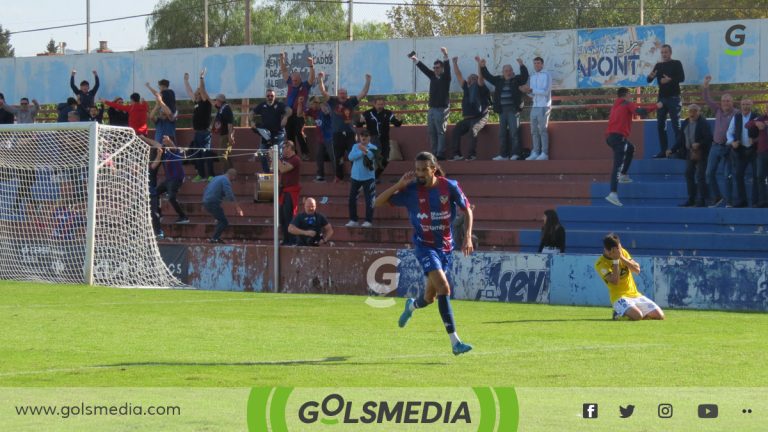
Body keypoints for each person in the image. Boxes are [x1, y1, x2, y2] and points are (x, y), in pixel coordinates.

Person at [375, 151, 474, 356]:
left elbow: (468, 210)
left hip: (446, 247)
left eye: (423, 169)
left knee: (429, 298)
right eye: (417, 169)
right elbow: (377, 202)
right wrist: (398, 186)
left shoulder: (449, 186)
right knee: (444, 288)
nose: (419, 173)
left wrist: (468, 237)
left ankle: (411, 307)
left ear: (433, 169)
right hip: (424, 246)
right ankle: (455, 342)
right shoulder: (410, 190)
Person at [604, 87, 660, 207]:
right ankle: (613, 193)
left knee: (630, 148)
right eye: (630, 95)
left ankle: (624, 175)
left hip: (610, 137)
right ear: (626, 95)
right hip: (619, 138)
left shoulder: (615, 106)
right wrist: (656, 106)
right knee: (617, 165)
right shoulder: (627, 104)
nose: (631, 97)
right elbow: (639, 112)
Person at [595, 233, 665, 321]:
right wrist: (616, 261)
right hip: (619, 297)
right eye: (616, 250)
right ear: (607, 250)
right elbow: (615, 281)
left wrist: (621, 257)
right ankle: (618, 314)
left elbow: (637, 269)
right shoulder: (600, 264)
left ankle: (629, 313)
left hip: (635, 295)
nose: (619, 250)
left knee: (660, 315)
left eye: (619, 247)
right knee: (637, 316)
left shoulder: (622, 252)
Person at [318, 71, 371, 181]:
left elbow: (364, 92)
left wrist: (368, 81)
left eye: (344, 93)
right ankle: (338, 177)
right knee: (338, 157)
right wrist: (320, 79)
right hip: (337, 134)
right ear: (338, 95)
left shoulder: (351, 102)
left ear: (347, 95)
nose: (342, 95)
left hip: (350, 134)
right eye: (340, 93)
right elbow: (323, 91)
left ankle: (355, 176)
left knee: (353, 156)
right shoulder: (333, 102)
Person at [480, 57, 529, 160]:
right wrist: (483, 66)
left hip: (513, 110)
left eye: (510, 70)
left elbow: (525, 77)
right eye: (506, 71)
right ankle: (503, 155)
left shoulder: (517, 80)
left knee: (514, 133)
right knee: (502, 134)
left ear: (512, 71)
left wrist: (521, 64)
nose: (508, 72)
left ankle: (516, 154)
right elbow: (487, 76)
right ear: (503, 72)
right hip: (502, 111)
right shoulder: (499, 80)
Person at [702, 75, 736, 208]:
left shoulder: (737, 113)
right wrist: (705, 85)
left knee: (728, 175)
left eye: (728, 101)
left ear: (732, 102)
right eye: (724, 101)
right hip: (715, 147)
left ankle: (730, 202)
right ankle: (717, 198)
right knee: (709, 173)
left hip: (729, 148)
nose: (725, 103)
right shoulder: (718, 110)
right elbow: (707, 99)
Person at [411, 47, 451, 160]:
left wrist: (445, 55)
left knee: (440, 132)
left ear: (442, 68)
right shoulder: (432, 76)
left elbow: (448, 68)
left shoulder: (446, 77)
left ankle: (440, 154)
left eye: (437, 67)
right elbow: (424, 69)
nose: (435, 69)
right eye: (434, 68)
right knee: (431, 132)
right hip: (432, 109)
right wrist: (415, 59)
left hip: (442, 109)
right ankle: (434, 154)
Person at [669, 104, 712, 207]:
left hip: (702, 153)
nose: (692, 113)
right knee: (688, 174)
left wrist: (699, 144)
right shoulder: (686, 122)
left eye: (694, 111)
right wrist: (672, 149)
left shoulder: (703, 123)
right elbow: (681, 139)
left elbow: (709, 138)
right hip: (689, 152)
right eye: (690, 111)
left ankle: (702, 200)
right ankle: (691, 199)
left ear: (699, 112)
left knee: (700, 176)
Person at [646, 44, 685, 158]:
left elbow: (682, 78)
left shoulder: (676, 63)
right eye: (662, 52)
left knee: (676, 125)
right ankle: (663, 151)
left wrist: (670, 80)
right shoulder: (658, 65)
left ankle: (679, 151)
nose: (664, 54)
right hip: (661, 99)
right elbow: (649, 80)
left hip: (674, 98)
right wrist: (650, 76)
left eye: (666, 52)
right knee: (660, 125)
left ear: (670, 53)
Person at [450, 56, 490, 162]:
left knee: (473, 130)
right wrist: (454, 63)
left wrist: (478, 64)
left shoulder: (480, 86)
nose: (472, 79)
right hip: (468, 119)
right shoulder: (466, 87)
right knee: (456, 130)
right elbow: (458, 75)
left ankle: (472, 155)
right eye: (470, 78)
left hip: (480, 117)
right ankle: (456, 155)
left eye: (474, 78)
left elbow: (481, 78)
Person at [280, 51, 315, 160]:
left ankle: (305, 153)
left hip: (299, 114)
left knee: (298, 132)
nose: (294, 82)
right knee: (289, 135)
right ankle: (292, 155)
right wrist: (282, 60)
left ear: (300, 79)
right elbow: (284, 70)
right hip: (289, 113)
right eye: (293, 80)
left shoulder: (305, 86)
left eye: (296, 80)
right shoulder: (290, 82)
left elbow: (312, 78)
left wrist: (311, 65)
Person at [358, 97, 403, 177]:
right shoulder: (368, 113)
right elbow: (359, 124)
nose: (380, 106)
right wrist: (360, 121)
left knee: (386, 159)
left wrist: (400, 120)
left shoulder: (388, 113)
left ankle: (375, 176)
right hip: (372, 138)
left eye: (382, 104)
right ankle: (369, 175)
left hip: (384, 139)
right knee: (376, 156)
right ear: (374, 104)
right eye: (378, 104)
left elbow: (396, 124)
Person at [727, 98, 759, 208]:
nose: (745, 106)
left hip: (755, 151)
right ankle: (742, 201)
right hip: (740, 151)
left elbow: (763, 134)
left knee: (757, 176)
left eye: (747, 104)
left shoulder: (757, 117)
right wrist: (732, 142)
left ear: (752, 105)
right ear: (740, 106)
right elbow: (729, 132)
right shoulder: (736, 117)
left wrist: (755, 140)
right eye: (743, 104)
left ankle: (756, 202)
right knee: (738, 175)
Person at [251, 88, 291, 173]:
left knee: (278, 155)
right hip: (266, 134)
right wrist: (252, 121)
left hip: (278, 133)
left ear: (275, 96)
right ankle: (267, 173)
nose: (270, 97)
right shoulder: (262, 105)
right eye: (268, 96)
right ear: (265, 97)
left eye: (272, 96)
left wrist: (286, 117)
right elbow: (252, 113)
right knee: (262, 153)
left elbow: (289, 110)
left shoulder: (279, 105)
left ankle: (279, 174)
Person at [185, 69, 215, 182]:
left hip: (205, 132)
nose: (196, 93)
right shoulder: (196, 102)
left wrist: (201, 78)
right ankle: (201, 175)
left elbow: (202, 89)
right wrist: (186, 81)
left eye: (198, 92)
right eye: (196, 93)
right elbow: (189, 92)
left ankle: (211, 175)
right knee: (197, 154)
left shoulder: (205, 102)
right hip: (197, 132)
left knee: (206, 153)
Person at [522, 57, 553, 160]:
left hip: (544, 105)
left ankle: (544, 153)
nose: (536, 65)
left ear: (542, 64)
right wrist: (526, 91)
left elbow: (545, 92)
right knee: (534, 130)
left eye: (538, 63)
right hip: (534, 106)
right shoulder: (532, 76)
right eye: (535, 63)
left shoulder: (547, 75)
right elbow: (532, 94)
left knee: (543, 130)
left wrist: (531, 90)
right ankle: (535, 152)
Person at [202, 168, 243, 243]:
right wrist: (237, 207)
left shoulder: (216, 178)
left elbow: (206, 188)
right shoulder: (225, 180)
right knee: (224, 222)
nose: (233, 180)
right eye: (233, 178)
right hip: (213, 202)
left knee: (220, 219)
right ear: (232, 175)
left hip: (207, 201)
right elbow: (229, 195)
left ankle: (216, 237)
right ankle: (214, 238)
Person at [346, 130, 377, 228]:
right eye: (362, 136)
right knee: (352, 199)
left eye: (366, 136)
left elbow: (372, 156)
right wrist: (362, 152)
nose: (363, 138)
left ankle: (368, 221)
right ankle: (353, 220)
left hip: (369, 178)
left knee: (370, 200)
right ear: (359, 137)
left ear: (369, 138)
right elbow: (350, 157)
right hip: (356, 177)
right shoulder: (355, 146)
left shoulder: (373, 147)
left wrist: (366, 150)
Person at [156, 135, 189, 224]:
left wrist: (169, 141)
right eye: (164, 142)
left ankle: (183, 216)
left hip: (177, 178)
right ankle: (159, 214)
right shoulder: (165, 154)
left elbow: (173, 146)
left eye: (165, 142)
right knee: (155, 193)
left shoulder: (176, 151)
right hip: (169, 179)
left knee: (171, 197)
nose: (164, 143)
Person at [278, 141, 301, 245]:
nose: (283, 150)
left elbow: (283, 169)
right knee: (282, 218)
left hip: (290, 192)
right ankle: (286, 239)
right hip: (283, 191)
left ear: (289, 148)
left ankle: (292, 240)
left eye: (284, 148)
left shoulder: (295, 159)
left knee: (289, 217)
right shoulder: (285, 159)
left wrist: (275, 158)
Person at [745, 111, 768, 207]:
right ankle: (763, 201)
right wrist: (756, 123)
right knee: (760, 177)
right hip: (761, 152)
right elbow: (747, 124)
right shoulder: (761, 118)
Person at [307, 98, 334, 182]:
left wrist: (322, 104)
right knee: (319, 156)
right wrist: (301, 103)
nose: (312, 106)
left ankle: (337, 176)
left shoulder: (323, 109)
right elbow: (299, 114)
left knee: (333, 156)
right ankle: (320, 176)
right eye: (311, 104)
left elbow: (327, 111)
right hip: (320, 139)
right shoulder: (312, 111)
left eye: (314, 104)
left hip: (329, 138)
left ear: (317, 103)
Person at [213, 93, 236, 169]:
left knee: (221, 155)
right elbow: (212, 103)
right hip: (224, 134)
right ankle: (231, 172)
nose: (215, 102)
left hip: (226, 135)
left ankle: (227, 172)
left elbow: (230, 124)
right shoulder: (221, 107)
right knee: (227, 154)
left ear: (219, 101)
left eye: (216, 100)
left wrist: (230, 136)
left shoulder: (226, 109)